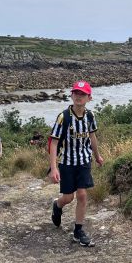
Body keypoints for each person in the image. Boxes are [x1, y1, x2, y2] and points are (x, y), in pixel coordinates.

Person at [49, 80, 104, 247]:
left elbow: (92, 137)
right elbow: (54, 143)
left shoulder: (90, 116)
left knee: (82, 195)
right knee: (68, 197)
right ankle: (57, 205)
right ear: (71, 95)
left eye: (83, 94)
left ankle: (78, 231)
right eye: (76, 93)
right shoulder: (63, 117)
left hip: (84, 161)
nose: (79, 97)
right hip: (67, 162)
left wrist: (97, 156)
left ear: (89, 98)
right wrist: (54, 168)